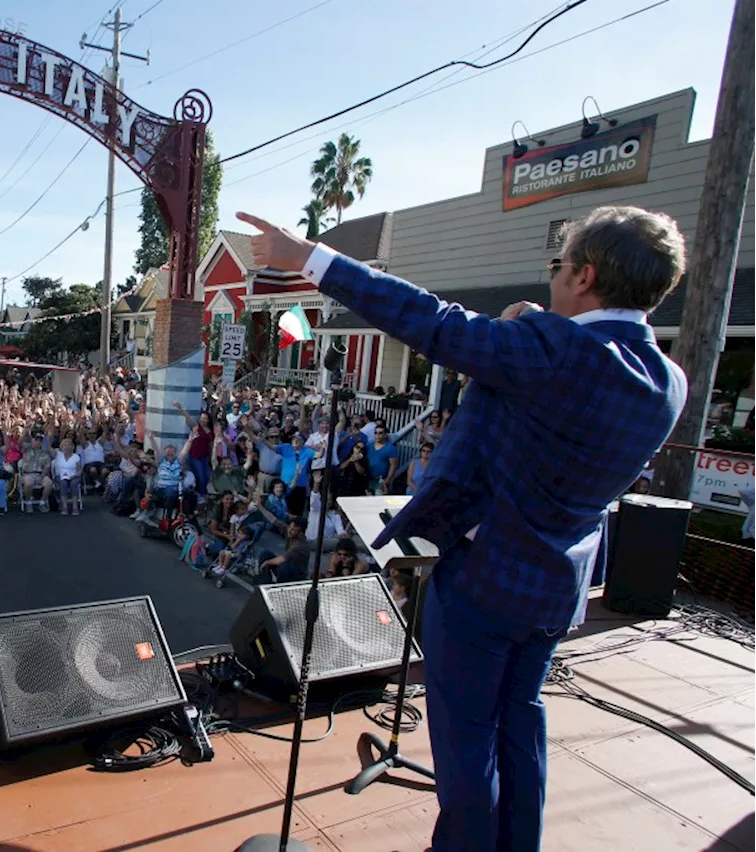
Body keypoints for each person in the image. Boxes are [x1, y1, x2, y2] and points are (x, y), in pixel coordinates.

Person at [238, 205, 686, 852]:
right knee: (520, 724)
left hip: (484, 582)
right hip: (557, 585)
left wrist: (309, 257)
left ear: (585, 276)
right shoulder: (666, 380)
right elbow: (575, 385)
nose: (552, 277)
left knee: (467, 741)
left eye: (558, 267)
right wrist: (538, 326)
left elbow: (432, 322)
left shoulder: (551, 353)